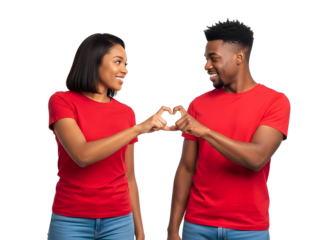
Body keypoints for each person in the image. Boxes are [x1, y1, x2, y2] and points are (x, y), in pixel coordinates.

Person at [165, 18, 292, 240]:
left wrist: (204, 131)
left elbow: (257, 158)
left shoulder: (276, 101)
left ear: (239, 57)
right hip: (197, 226)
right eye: (205, 59)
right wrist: (173, 229)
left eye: (214, 58)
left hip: (249, 229)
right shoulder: (198, 103)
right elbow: (186, 168)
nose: (206, 66)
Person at [45, 32, 175, 240]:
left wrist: (140, 230)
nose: (126, 69)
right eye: (118, 62)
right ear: (94, 61)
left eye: (127, 63)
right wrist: (137, 129)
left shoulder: (127, 112)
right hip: (70, 220)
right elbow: (82, 155)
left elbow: (130, 175)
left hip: (119, 221)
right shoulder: (61, 101)